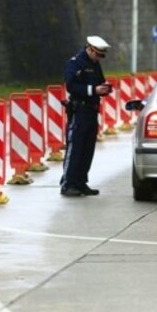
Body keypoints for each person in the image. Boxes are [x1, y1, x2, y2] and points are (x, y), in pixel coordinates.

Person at [59, 36, 113, 196]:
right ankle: (68, 183)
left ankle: (81, 182)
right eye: (98, 54)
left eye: (102, 56)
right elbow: (71, 86)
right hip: (79, 111)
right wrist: (93, 90)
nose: (99, 58)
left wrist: (104, 89)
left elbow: (99, 82)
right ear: (89, 49)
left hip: (92, 111)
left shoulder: (95, 65)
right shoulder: (75, 63)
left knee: (87, 149)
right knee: (75, 147)